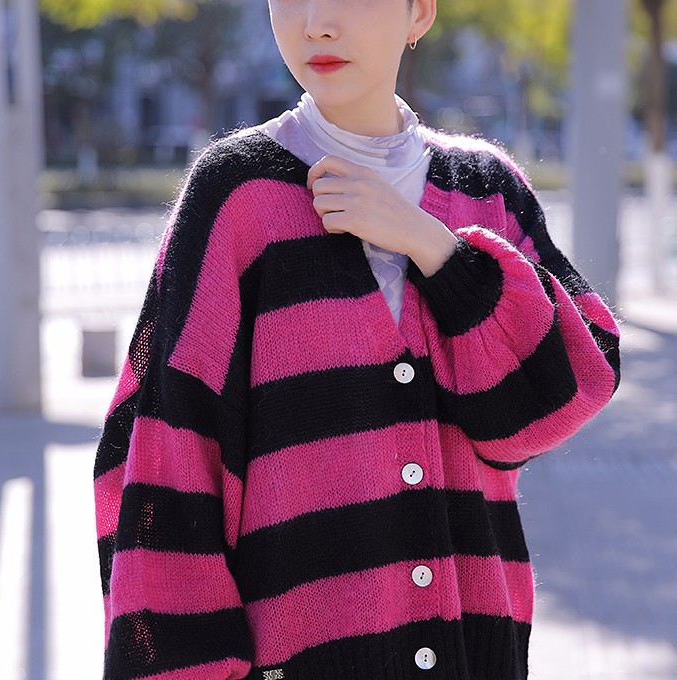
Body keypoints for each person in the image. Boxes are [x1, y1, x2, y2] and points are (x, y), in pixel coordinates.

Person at [93, 1, 621, 678]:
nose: (316, 22)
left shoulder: (487, 191)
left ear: (418, 12)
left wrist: (434, 248)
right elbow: (166, 462)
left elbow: (553, 402)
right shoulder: (236, 196)